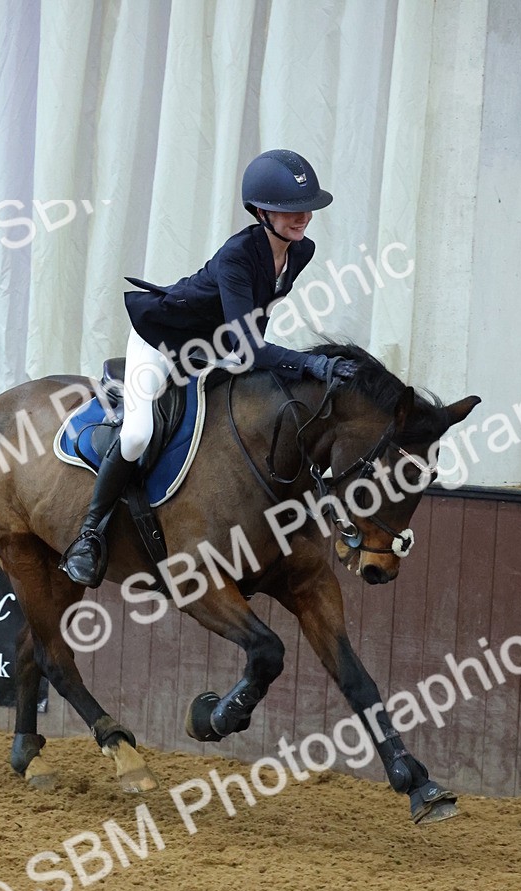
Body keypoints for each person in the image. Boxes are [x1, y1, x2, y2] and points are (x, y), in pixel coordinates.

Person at [62, 148, 356, 587]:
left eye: (306, 209)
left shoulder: (301, 250)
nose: (302, 218)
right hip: (162, 343)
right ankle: (90, 536)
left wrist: (285, 367)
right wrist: (310, 361)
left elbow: (258, 318)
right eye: (289, 210)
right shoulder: (238, 255)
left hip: (216, 350)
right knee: (139, 432)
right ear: (261, 212)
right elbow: (251, 348)